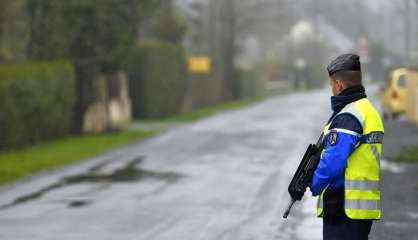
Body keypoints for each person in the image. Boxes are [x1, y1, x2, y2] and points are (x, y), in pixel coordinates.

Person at [310, 54, 384, 240]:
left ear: (339, 85)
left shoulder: (348, 116)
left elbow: (333, 160)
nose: (332, 90)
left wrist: (314, 182)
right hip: (360, 208)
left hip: (343, 206)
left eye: (331, 85)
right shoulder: (368, 111)